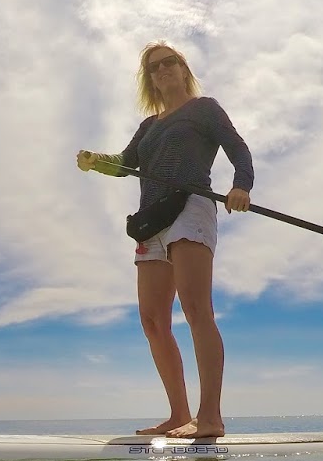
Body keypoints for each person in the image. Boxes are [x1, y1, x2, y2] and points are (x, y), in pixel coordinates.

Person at [76, 43, 253, 438]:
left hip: (190, 205)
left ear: (183, 67)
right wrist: (95, 160)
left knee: (195, 309)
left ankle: (210, 418)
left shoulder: (204, 109)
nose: (162, 70)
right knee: (153, 319)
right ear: (149, 79)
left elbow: (238, 148)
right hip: (151, 220)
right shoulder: (149, 126)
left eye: (168, 62)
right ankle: (178, 415)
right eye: (153, 67)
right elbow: (125, 165)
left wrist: (241, 186)